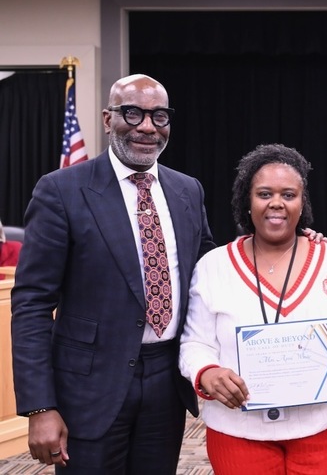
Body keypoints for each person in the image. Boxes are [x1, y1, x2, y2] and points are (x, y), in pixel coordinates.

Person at [9, 73, 217, 473]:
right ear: (108, 119)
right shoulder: (61, 191)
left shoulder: (187, 190)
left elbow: (209, 272)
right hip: (89, 387)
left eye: (159, 116)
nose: (146, 126)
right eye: (133, 113)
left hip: (166, 381)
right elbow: (32, 304)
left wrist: (291, 244)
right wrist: (40, 405)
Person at [179, 143, 327, 475]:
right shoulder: (213, 265)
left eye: (289, 194)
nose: (277, 204)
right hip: (238, 429)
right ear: (246, 201)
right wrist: (207, 372)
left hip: (322, 426)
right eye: (264, 194)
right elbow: (194, 342)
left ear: (302, 202)